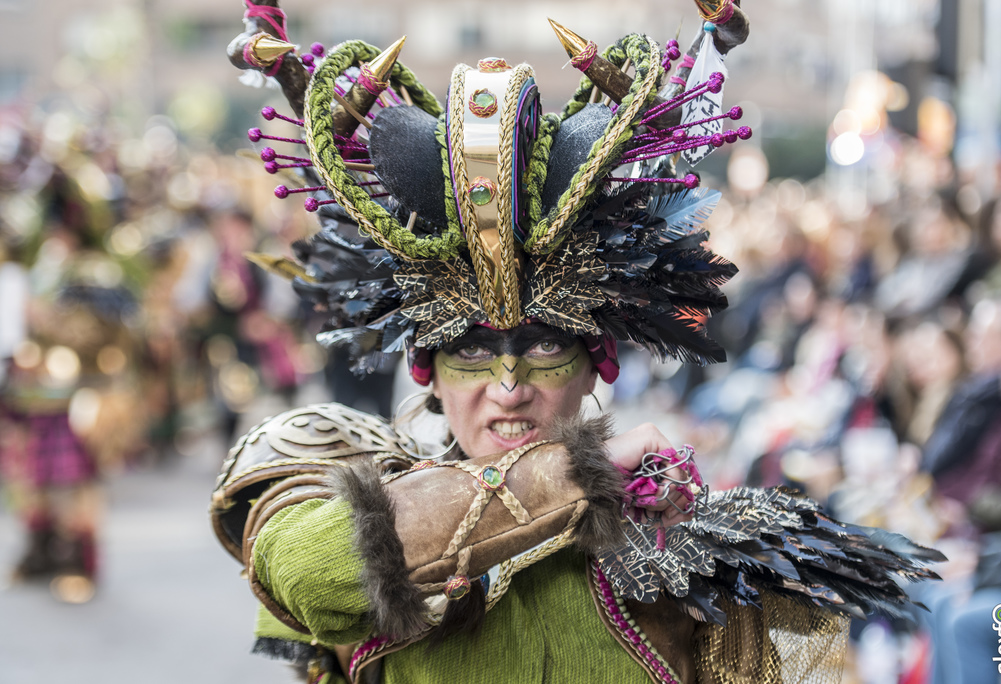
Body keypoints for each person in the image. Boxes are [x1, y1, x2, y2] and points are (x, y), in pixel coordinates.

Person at [211, 2, 942, 682]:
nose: (507, 387)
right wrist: (576, 476)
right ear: (425, 367)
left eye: (542, 345)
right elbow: (306, 574)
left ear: (598, 360)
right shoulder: (348, 486)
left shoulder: (683, 550)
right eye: (469, 350)